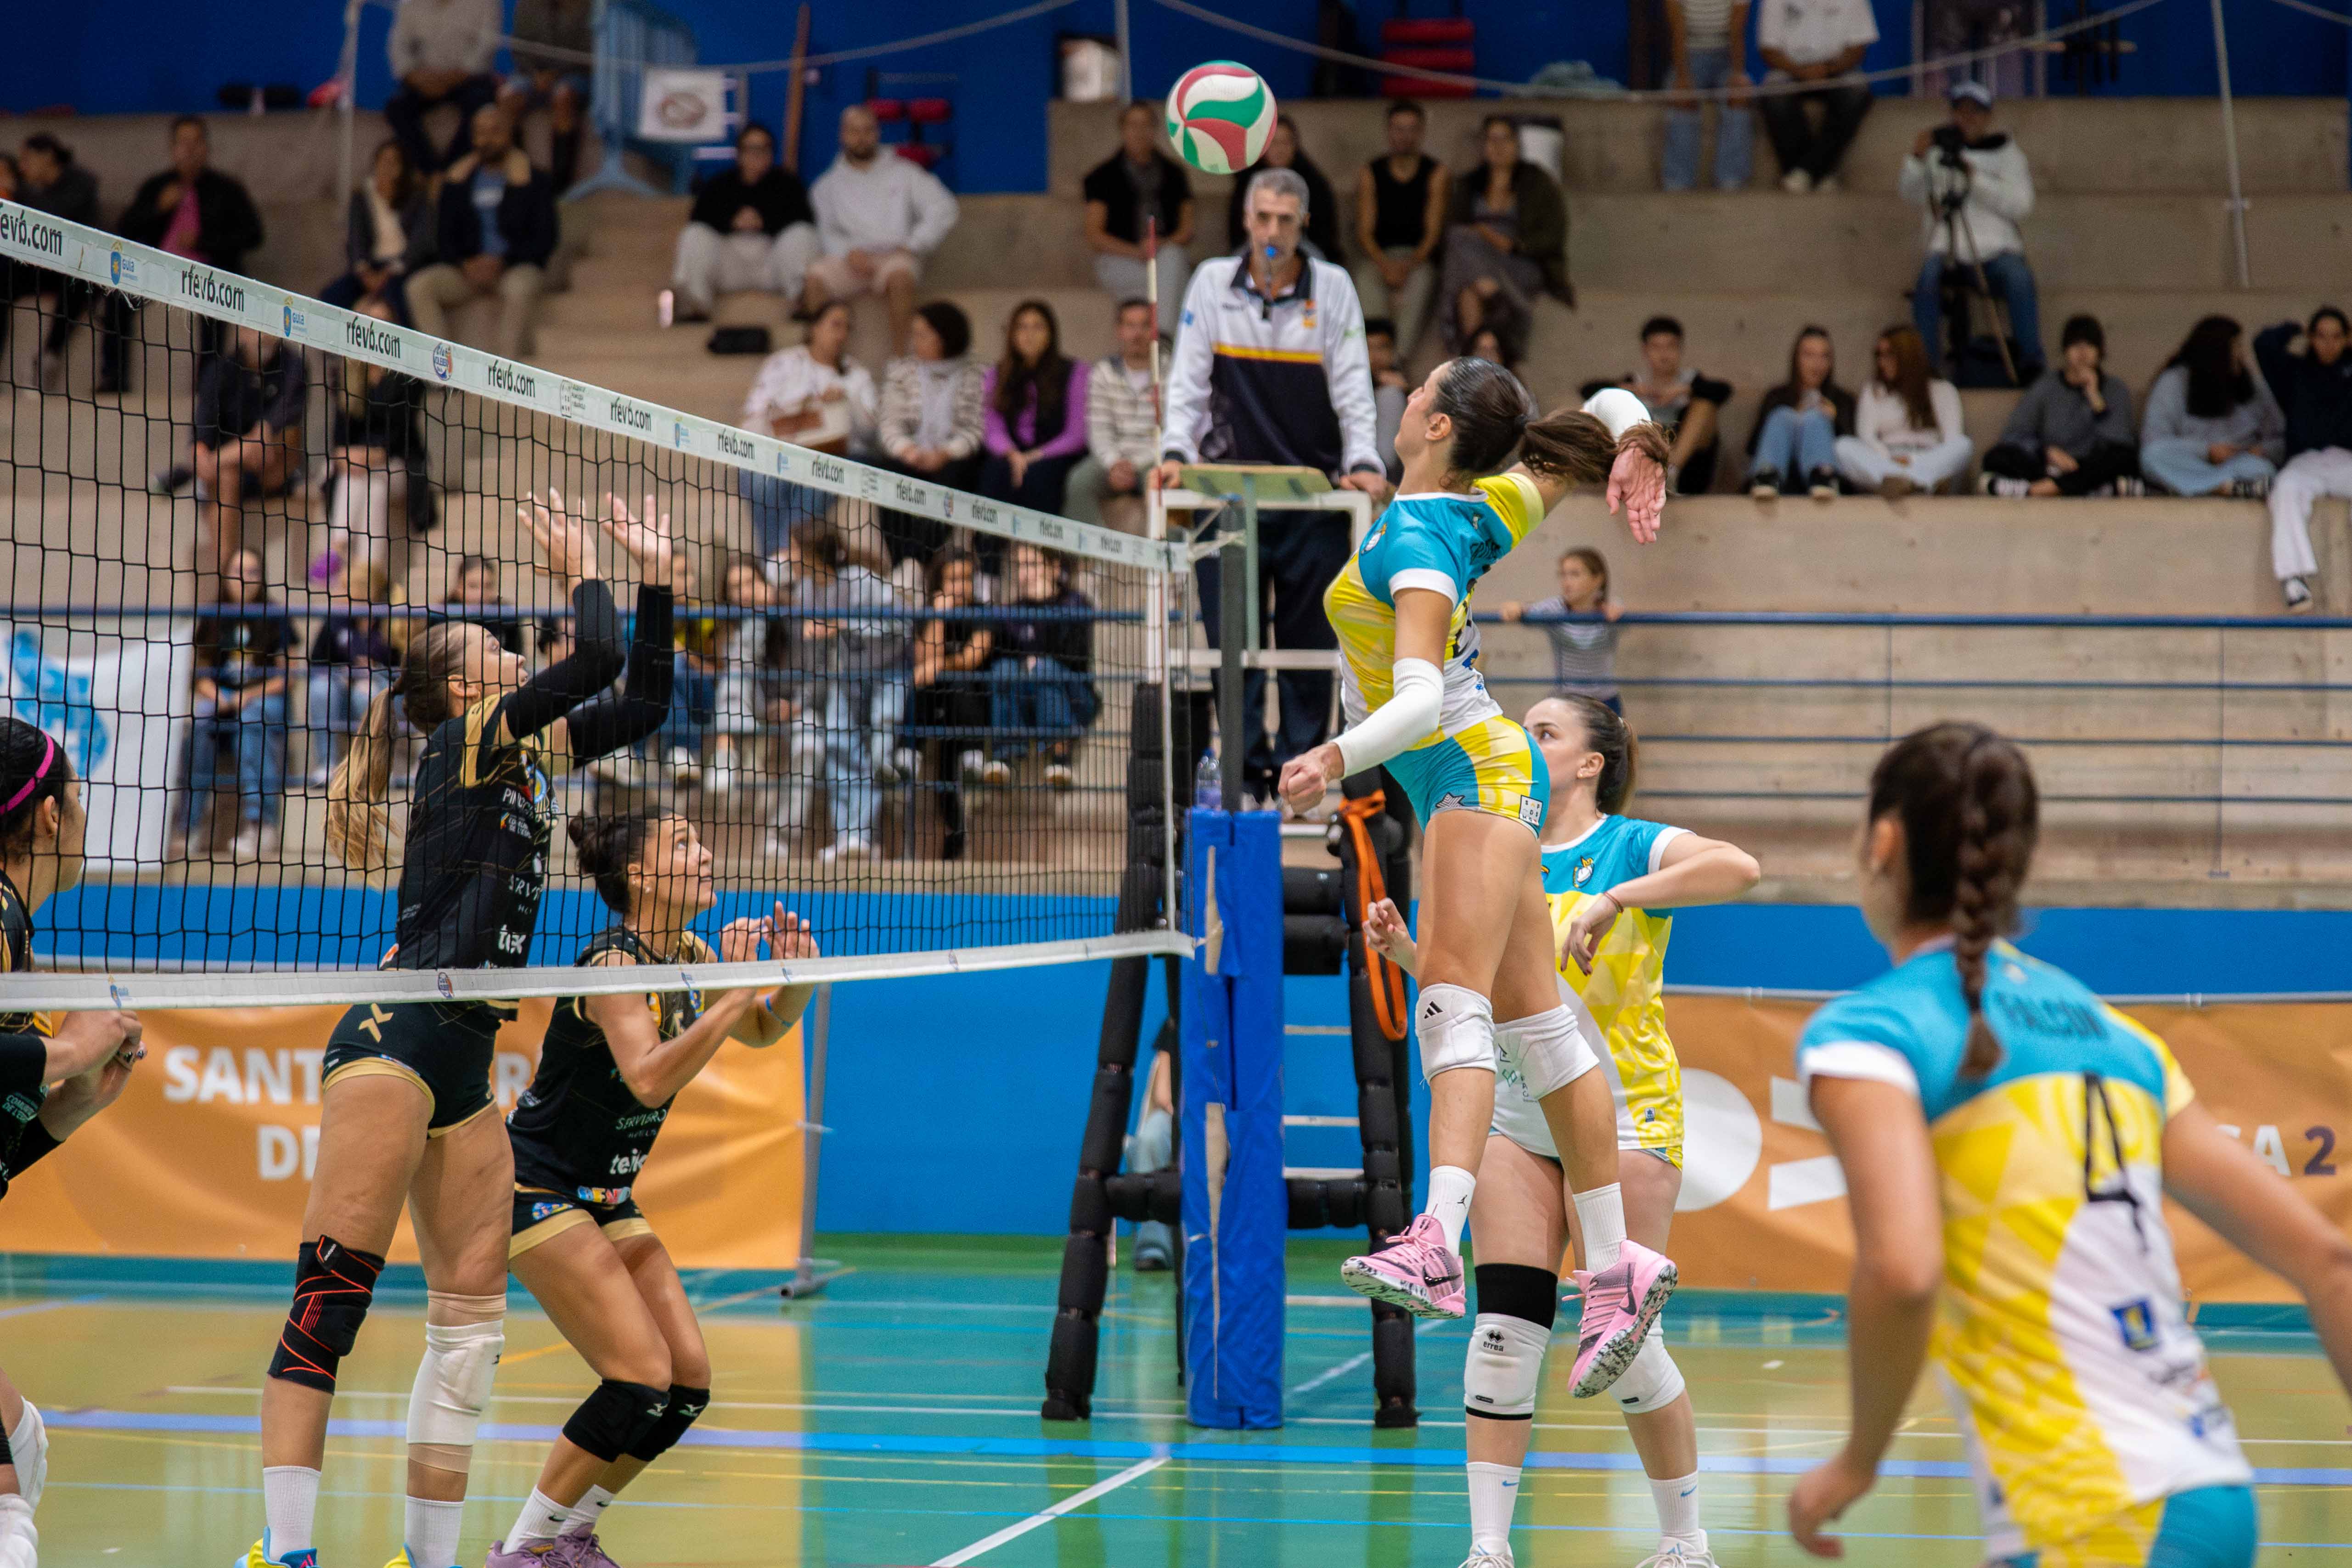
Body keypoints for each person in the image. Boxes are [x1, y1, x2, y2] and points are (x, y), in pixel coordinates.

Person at [1784, 721, 2352, 1567]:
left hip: (2093, 1513)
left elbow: (1902, 1271)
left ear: (1883, 841)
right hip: (2208, 1494)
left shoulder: (1872, 1031)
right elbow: (2328, 1259)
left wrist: (1857, 1459)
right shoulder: (2118, 1039)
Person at [243, 495, 671, 1568]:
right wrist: (583, 565)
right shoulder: (469, 737)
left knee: (470, 1337)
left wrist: (657, 576)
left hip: (468, 1054)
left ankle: (427, 1561)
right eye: (491, 641)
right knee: (330, 1301)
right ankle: (285, 1553)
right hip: (399, 1034)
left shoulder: (522, 758)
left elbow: (646, 691)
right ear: (464, 682)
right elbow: (599, 653)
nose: (509, 643)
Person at [1269, 354, 1670, 1375]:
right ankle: (1620, 1263)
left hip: (1468, 770)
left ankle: (1436, 1241)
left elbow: (1408, 703)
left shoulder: (1416, 538)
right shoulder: (1483, 505)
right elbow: (1592, 420)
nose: (1402, 393)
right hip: (1472, 774)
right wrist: (1634, 442)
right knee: (1533, 1014)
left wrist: (1330, 754)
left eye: (1419, 389)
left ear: (1438, 427)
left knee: (1455, 996)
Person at [1364, 694, 1761, 1568]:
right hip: (1512, 1108)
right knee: (1505, 1325)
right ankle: (1487, 1548)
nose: (1524, 740)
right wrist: (1406, 953)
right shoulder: (1492, 840)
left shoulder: (1627, 845)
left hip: (1619, 1110)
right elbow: (1476, 981)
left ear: (1590, 764)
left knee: (1627, 1337)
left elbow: (1740, 867)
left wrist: (1618, 897)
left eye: (1546, 732)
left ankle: (1684, 1540)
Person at [490, 812, 814, 1565]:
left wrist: (790, 980)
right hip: (540, 1189)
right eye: (682, 844)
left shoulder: (692, 954)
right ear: (638, 876)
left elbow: (762, 1030)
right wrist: (733, 993)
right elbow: (646, 1079)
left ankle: (572, 1534)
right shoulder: (613, 968)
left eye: (701, 839)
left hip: (609, 1195)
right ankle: (523, 1550)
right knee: (638, 1377)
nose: (704, 853)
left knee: (686, 1385)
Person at [1153, 167, 1386, 802]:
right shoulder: (1210, 282)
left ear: (1302, 222)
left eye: (1285, 219)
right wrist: (1175, 450)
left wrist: (1364, 459)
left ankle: (1303, 783)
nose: (1273, 230)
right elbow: (1188, 384)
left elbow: (1353, 387)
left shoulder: (1332, 287)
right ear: (1246, 221)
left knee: (1312, 645)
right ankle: (1250, 776)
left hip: (1312, 500)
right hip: (1226, 501)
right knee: (1236, 647)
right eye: (1262, 218)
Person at [0, 717, 146, 1568]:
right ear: (51, 816)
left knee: (21, 1444)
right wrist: (69, 1049)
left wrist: (70, 1105)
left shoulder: (16, 933)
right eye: (81, 799)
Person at [776, 517, 906, 863]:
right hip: (843, 680)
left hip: (886, 677)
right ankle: (848, 837)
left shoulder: (862, 581)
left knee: (878, 751)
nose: (788, 555)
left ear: (813, 554)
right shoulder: (803, 592)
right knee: (837, 746)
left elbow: (902, 623)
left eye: (794, 549)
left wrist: (846, 624)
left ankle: (865, 837)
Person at [107, 116, 264, 395]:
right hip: (158, 272)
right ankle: (114, 377)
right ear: (172, 148)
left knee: (215, 304)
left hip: (209, 272)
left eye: (196, 142)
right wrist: (158, 208)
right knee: (116, 296)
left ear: (206, 147)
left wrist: (203, 242)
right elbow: (125, 227)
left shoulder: (227, 189)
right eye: (183, 143)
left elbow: (253, 236)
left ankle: (208, 385)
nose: (190, 149)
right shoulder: (157, 186)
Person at [1901, 81, 2041, 376]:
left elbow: (2022, 204)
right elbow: (1909, 193)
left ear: (1989, 116)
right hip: (1946, 247)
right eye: (1961, 111)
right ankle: (1927, 367)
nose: (1968, 118)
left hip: (1996, 251)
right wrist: (1916, 158)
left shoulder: (2008, 154)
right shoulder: (1936, 150)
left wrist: (1975, 179)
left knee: (2019, 278)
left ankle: (2031, 362)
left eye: (1976, 112)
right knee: (1926, 279)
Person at [406, 105, 559, 360]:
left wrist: (503, 261)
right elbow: (443, 236)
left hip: (514, 266)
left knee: (520, 290)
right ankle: (442, 374)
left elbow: (545, 238)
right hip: (468, 270)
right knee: (419, 286)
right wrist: (465, 263)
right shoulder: (459, 182)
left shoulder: (534, 180)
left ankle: (505, 376)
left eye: (495, 131)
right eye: (481, 133)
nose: (487, 140)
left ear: (510, 133)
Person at [807, 104, 960, 355]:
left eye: (868, 130)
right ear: (842, 135)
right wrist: (848, 252)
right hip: (851, 259)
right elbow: (827, 230)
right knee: (815, 280)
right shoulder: (826, 185)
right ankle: (823, 364)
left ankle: (902, 365)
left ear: (878, 133)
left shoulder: (905, 173)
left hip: (894, 256)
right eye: (854, 131)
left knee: (901, 276)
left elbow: (944, 207)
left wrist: (915, 243)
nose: (862, 138)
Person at [737, 298, 878, 557]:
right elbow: (752, 418)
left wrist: (846, 400)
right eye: (836, 325)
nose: (842, 334)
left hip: (830, 456)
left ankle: (786, 562)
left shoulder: (858, 375)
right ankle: (777, 561)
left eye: (848, 328)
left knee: (818, 479)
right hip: (779, 452)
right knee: (757, 477)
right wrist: (799, 410)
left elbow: (870, 434)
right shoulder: (782, 363)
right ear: (815, 328)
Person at [184, 548, 296, 862]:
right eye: (237, 571)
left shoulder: (274, 614)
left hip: (264, 701)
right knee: (201, 722)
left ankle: (260, 824)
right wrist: (218, 696)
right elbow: (199, 673)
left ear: (262, 577)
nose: (244, 579)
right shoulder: (214, 614)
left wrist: (251, 694)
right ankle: (188, 827)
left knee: (252, 719)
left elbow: (288, 675)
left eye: (252, 572)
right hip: (222, 700)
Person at [318, 297, 435, 579]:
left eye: (384, 324)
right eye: (371, 324)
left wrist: (366, 457)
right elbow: (338, 435)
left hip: (399, 463)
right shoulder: (347, 375)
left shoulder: (408, 378)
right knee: (368, 486)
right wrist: (345, 456)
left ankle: (337, 547)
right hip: (354, 468)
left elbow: (400, 436)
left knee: (374, 479)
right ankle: (367, 572)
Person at [1440, 116, 1571, 361]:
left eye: (1505, 139)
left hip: (1522, 261)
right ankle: (1482, 358)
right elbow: (1455, 228)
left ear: (1517, 143)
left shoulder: (1537, 181)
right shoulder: (1470, 183)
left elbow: (1554, 233)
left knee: (1467, 275)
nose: (1498, 146)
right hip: (1477, 260)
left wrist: (1511, 245)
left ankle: (1464, 354)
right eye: (1492, 139)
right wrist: (1483, 235)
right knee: (1465, 264)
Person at [665, 123, 818, 326]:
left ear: (772, 154)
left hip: (773, 265)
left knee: (803, 234)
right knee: (694, 235)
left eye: (763, 149)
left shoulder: (789, 184)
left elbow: (805, 219)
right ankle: (695, 304)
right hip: (730, 265)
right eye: (750, 149)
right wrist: (733, 221)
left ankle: (802, 301)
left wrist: (764, 221)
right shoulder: (719, 185)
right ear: (739, 154)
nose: (757, 155)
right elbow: (699, 218)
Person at [2253, 307, 2352, 613]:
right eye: (2321, 336)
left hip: (2347, 459)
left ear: (2347, 339)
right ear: (2311, 338)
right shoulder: (2294, 371)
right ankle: (2294, 578)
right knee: (2284, 490)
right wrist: (2293, 325)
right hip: (2305, 461)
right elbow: (2263, 345)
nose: (2329, 344)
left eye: (2336, 337)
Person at [874, 300, 986, 568]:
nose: (915, 341)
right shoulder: (902, 373)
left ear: (945, 337)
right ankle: (902, 567)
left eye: (922, 335)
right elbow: (889, 424)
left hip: (955, 461)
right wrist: (907, 451)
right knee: (887, 475)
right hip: (911, 458)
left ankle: (915, 562)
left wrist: (946, 453)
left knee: (953, 479)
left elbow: (978, 428)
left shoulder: (979, 376)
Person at [979, 542, 1096, 792]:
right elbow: (999, 656)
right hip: (1028, 694)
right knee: (1003, 670)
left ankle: (1060, 757)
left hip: (1075, 697)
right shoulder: (1013, 611)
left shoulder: (1076, 603)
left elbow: (1076, 658)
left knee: (1046, 669)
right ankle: (1004, 757)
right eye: (1020, 566)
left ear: (1054, 569)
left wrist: (1046, 606)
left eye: (1031, 565)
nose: (1024, 574)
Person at [1981, 315, 2138, 498]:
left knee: (2125, 458)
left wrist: (2096, 400)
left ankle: (2037, 489)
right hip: (2051, 466)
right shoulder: (2046, 386)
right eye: (2075, 345)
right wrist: (2047, 452)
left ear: (2100, 351)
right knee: (1997, 457)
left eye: (2090, 345)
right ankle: (2085, 488)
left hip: (2092, 465)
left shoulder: (2115, 389)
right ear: (2065, 350)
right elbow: (2014, 434)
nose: (2082, 352)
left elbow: (2121, 441)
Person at [192, 325, 307, 573]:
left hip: (277, 466)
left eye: (267, 328)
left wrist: (264, 431)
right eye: (252, 329)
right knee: (224, 475)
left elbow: (285, 417)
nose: (261, 336)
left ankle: (212, 462)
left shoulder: (293, 366)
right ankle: (226, 576)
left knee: (273, 437)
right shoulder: (222, 370)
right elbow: (202, 428)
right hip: (234, 469)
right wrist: (201, 454)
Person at [2140, 315, 2284, 500]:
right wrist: (2207, 451)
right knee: (2152, 456)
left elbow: (2281, 439)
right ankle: (2216, 487)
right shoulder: (2174, 382)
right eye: (2236, 347)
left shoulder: (2254, 387)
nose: (2242, 354)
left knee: (2262, 469)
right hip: (2193, 463)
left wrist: (2261, 451)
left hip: (2237, 464)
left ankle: (2195, 488)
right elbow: (2154, 439)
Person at [1583, 317, 1733, 495]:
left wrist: (1682, 391)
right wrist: (1634, 390)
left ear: (1680, 349)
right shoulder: (1636, 382)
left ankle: (1670, 471)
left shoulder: (1694, 383)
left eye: (1671, 347)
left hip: (1689, 473)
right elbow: (1589, 391)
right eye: (1656, 347)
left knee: (1705, 406)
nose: (1664, 354)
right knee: (1620, 405)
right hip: (1642, 466)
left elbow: (1723, 391)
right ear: (1645, 350)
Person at [908, 544, 992, 859]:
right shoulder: (929, 614)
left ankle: (973, 754)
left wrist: (941, 665)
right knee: (916, 686)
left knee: (959, 682)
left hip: (971, 708)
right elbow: (922, 661)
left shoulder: (983, 613)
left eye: (966, 578)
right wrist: (940, 616)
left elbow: (973, 657)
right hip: (935, 707)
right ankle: (908, 752)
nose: (960, 586)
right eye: (953, 579)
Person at [979, 300, 1092, 534]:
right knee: (995, 472)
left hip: (1055, 453)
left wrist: (1035, 456)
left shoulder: (1075, 372)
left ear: (1051, 333)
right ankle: (988, 561)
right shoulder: (996, 374)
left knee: (1040, 476)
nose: (1029, 335)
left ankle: (1044, 557)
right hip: (1014, 452)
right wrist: (1012, 454)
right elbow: (993, 428)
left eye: (1038, 327)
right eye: (1022, 327)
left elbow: (1076, 434)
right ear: (1012, 334)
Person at [2, 133, 102, 389]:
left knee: (79, 280)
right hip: (40, 268)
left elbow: (54, 219)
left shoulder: (82, 184)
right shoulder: (32, 192)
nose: (21, 167)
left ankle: (49, 356)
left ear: (47, 156)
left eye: (26, 159)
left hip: (77, 268)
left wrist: (17, 192)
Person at [1351, 100, 1450, 359]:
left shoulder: (1436, 173)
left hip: (1417, 257)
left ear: (1422, 132)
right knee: (1365, 281)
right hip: (1378, 255)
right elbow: (1364, 231)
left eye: (1411, 129)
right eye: (1398, 129)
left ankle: (1396, 363)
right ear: (1388, 131)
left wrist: (1407, 266)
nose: (1404, 136)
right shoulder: (1370, 172)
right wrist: (1385, 265)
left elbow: (1433, 233)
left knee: (1422, 283)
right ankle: (1371, 359)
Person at [1082, 100, 1194, 309]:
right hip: (1122, 258)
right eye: (1133, 125)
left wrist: (1159, 245)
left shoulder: (1175, 175)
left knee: (1172, 261)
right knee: (1169, 285)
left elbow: (1187, 229)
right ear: (1123, 130)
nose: (1139, 132)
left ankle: (1162, 338)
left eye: (1146, 125)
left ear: (1155, 130)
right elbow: (1094, 234)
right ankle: (1162, 336)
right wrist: (1137, 252)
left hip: (1164, 256)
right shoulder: (1102, 177)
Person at [1837, 324, 1972, 496]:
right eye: (1879, 355)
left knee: (1963, 445)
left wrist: (1913, 462)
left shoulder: (1942, 390)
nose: (1882, 362)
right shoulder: (1873, 391)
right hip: (1887, 461)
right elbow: (1867, 437)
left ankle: (1916, 480)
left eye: (1889, 355)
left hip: (1928, 459)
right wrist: (1891, 461)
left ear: (1908, 355)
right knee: (1843, 447)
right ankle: (1908, 483)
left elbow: (1952, 438)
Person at [1757, 0, 1876, 194]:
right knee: (1774, 90)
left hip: (1837, 69)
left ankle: (1804, 172)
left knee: (1857, 90)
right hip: (1789, 69)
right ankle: (1822, 172)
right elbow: (1769, 50)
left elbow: (1857, 49)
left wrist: (1827, 70)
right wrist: (1800, 71)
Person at [1067, 298, 1162, 531]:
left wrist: (1136, 465)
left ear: (1155, 330)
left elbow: (1172, 432)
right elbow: (1098, 430)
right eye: (1130, 325)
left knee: (1165, 487)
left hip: (1153, 459)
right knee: (1078, 482)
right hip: (1113, 459)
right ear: (1119, 331)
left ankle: (1163, 561)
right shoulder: (1103, 372)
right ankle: (1090, 560)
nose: (1137, 333)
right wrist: (1113, 464)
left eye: (1144, 325)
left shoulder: (1169, 371)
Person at [305, 560, 400, 787]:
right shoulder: (335, 620)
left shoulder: (392, 622)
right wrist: (343, 674)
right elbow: (316, 663)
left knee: (365, 693)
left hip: (379, 687)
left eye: (345, 587)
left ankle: (375, 767)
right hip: (340, 688)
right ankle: (327, 765)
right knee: (320, 689)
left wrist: (372, 670)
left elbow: (400, 669)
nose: (338, 592)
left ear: (363, 591)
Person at [383, 0, 502, 175]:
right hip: (425, 79)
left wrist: (453, 77)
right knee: (397, 107)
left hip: (469, 78)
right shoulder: (410, 3)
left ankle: (452, 173)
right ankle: (432, 173)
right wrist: (416, 77)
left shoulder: (486, 3)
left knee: (481, 104)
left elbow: (487, 46)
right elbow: (398, 46)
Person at [1498, 546, 1625, 709]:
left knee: (1622, 732)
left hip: (1605, 699)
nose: (1567, 582)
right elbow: (1525, 610)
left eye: (1575, 574)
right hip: (1569, 699)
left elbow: (1621, 613)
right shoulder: (1555, 608)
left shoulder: (1610, 611)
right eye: (1563, 575)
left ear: (1597, 579)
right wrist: (1516, 608)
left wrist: (1617, 612)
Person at [321, 140, 430, 324]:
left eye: (394, 163)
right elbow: (356, 240)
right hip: (371, 267)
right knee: (332, 297)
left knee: (395, 299)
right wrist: (365, 272)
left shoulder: (416, 198)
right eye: (383, 161)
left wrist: (391, 272)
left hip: (402, 268)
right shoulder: (362, 197)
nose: (387, 168)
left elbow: (421, 242)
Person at [1748, 325, 1855, 498]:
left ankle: (1823, 475)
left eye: (1824, 356)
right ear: (1796, 358)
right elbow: (1753, 447)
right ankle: (1768, 477)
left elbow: (1853, 450)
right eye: (1809, 355)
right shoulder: (1777, 397)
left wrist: (1833, 422)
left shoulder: (1843, 400)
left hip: (1830, 482)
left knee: (1816, 417)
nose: (1817, 364)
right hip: (1785, 478)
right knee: (1783, 415)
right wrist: (1795, 422)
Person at [1225, 114, 1344, 264]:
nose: (1279, 150)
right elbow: (1237, 230)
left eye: (1285, 143)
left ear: (1295, 145)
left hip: (1302, 246)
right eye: (1273, 143)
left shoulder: (1314, 183)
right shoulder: (1247, 181)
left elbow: (1325, 233)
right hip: (1256, 244)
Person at [1662, 0, 1755, 193]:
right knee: (1681, 98)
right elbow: (1677, 31)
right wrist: (1682, 77)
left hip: (1726, 56)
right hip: (1689, 55)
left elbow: (1737, 32)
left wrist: (1737, 75)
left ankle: (1731, 181)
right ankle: (1678, 183)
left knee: (1739, 95)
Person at [501, 0, 594, 192]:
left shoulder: (589, 7)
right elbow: (519, 48)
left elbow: (587, 55)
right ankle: (514, 176)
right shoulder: (527, 5)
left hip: (574, 75)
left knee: (563, 96)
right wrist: (535, 75)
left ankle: (560, 187)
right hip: (532, 74)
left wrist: (555, 75)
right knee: (508, 96)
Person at [444, 555, 527, 656]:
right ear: (459, 588)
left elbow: (516, 655)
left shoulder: (507, 616)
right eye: (473, 586)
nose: (481, 594)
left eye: (488, 586)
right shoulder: (440, 615)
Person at [1367, 316, 1410, 483]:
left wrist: (1408, 392)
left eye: (1381, 348)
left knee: (1390, 396)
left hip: (1390, 475)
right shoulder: (1342, 383)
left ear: (1393, 352)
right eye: (1368, 348)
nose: (1374, 356)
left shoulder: (1401, 389)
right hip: (1347, 468)